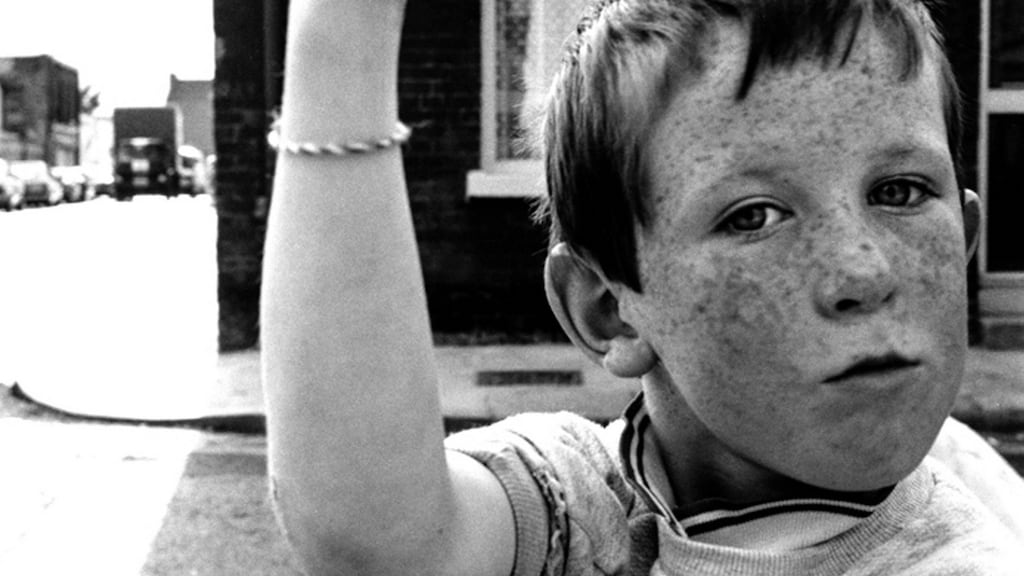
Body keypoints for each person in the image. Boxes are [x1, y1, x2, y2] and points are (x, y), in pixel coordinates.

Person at [261, 0, 1024, 574]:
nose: (864, 271)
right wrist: (342, 33)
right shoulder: (595, 501)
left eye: (898, 192)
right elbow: (377, 533)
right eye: (754, 215)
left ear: (963, 238)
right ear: (609, 311)